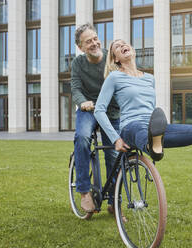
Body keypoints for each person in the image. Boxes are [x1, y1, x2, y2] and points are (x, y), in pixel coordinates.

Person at [71, 23, 120, 219]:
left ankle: (114, 203)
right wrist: (82, 102)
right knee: (82, 138)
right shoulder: (78, 64)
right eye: (88, 41)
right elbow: (75, 88)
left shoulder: (111, 58)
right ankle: (84, 191)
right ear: (81, 47)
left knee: (114, 155)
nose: (94, 43)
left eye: (95, 38)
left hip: (111, 111)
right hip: (89, 109)